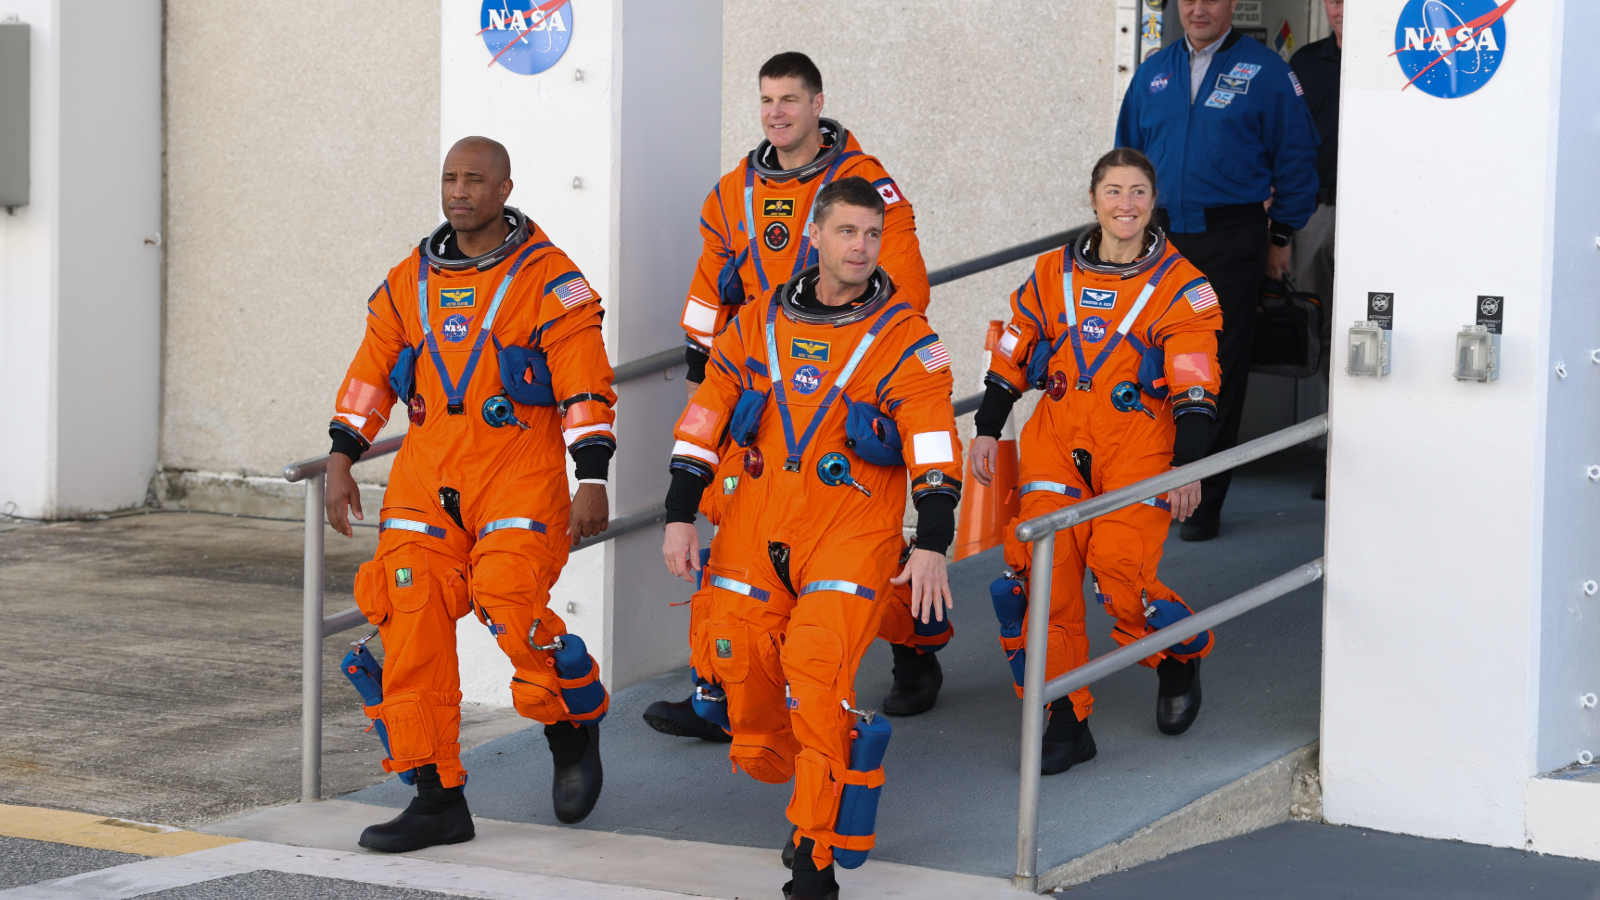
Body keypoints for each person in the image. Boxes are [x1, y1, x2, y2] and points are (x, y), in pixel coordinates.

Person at [661, 177, 961, 900]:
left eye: (871, 235)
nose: (860, 247)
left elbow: (931, 442)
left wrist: (933, 540)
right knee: (746, 685)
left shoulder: (906, 337)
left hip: (849, 528)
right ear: (816, 237)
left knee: (817, 668)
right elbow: (706, 416)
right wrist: (678, 512)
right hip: (756, 522)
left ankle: (814, 849)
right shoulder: (758, 320)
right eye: (847, 232)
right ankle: (831, 762)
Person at [646, 51, 948, 745]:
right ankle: (715, 686)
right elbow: (704, 295)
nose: (777, 113)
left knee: (850, 554)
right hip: (757, 385)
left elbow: (906, 289)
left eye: (790, 100)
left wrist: (858, 364)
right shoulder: (731, 193)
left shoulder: (866, 186)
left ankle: (915, 641)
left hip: (843, 387)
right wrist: (708, 387)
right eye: (767, 101)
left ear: (817, 105)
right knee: (725, 534)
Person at [325, 137, 615, 852]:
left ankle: (568, 724)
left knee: (508, 594)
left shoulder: (551, 279)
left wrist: (595, 477)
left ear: (505, 187)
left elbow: (584, 383)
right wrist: (341, 455)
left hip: (518, 473)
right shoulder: (408, 281)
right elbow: (370, 375)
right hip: (427, 480)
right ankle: (437, 798)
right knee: (408, 612)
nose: (459, 191)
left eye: (475, 180)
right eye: (450, 178)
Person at [970, 148, 1222, 775]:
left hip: (1139, 444)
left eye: (1138, 192)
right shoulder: (1052, 273)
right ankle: (1065, 716)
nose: (1126, 204)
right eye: (1114, 191)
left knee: (1121, 567)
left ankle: (1176, 656)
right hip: (1056, 440)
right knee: (1042, 574)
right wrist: (985, 429)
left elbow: (1195, 379)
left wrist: (1188, 465)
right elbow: (1013, 351)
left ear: (1153, 200)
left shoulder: (1182, 286)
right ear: (1093, 199)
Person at [1116, 0, 1320, 540]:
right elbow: (1126, 157)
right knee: (1147, 357)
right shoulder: (1154, 73)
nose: (1198, 8)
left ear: (1232, 4)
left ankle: (1202, 498)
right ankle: (1148, 483)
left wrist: (1280, 235)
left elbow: (1298, 159)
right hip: (1158, 239)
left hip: (1231, 239)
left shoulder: (1268, 71)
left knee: (1213, 368)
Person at [1290, 0, 1342, 501]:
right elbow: (1281, 141)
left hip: (1383, 220)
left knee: (1367, 338)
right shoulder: (1304, 62)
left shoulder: (1401, 56)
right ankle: (1333, 454)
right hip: (1316, 215)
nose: (1340, 8)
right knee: (1320, 336)